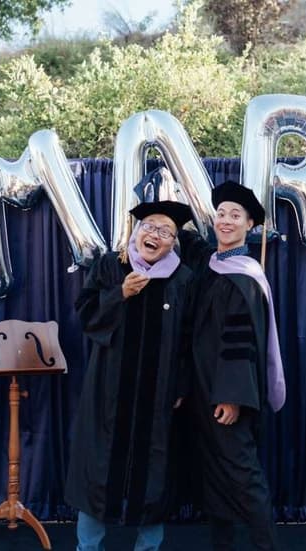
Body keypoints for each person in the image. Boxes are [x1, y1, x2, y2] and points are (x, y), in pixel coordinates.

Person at [65, 194, 194, 551]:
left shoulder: (182, 279)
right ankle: (88, 547)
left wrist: (182, 384)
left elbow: (189, 337)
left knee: (154, 474)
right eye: (149, 227)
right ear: (136, 232)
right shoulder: (111, 266)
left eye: (165, 231)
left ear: (173, 243)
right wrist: (119, 294)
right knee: (98, 471)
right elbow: (85, 315)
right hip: (108, 392)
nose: (155, 235)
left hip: (159, 395)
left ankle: (147, 548)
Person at [178, 181, 286, 551]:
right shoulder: (209, 263)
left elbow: (243, 346)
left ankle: (266, 546)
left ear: (249, 224)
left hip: (226, 396)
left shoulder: (245, 278)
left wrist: (232, 397)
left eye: (235, 215)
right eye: (221, 213)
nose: (225, 220)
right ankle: (222, 545)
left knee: (244, 475)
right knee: (213, 474)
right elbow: (186, 241)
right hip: (199, 389)